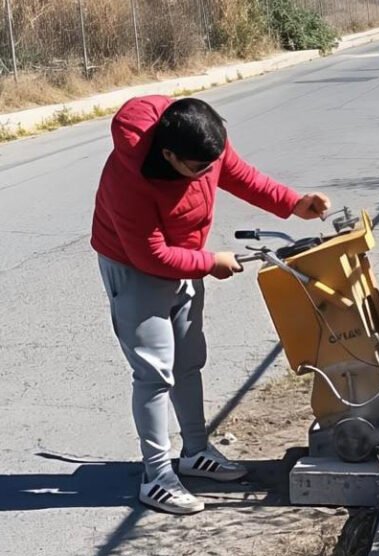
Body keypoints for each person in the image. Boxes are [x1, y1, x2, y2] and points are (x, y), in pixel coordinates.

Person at [91, 95, 330, 514]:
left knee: (188, 359)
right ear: (169, 156)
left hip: (185, 258)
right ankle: (156, 475)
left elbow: (239, 175)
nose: (207, 173)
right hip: (135, 268)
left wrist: (293, 204)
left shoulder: (202, 140)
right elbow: (150, 255)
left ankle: (195, 452)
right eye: (198, 168)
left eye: (211, 162)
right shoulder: (128, 179)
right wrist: (208, 263)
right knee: (154, 371)